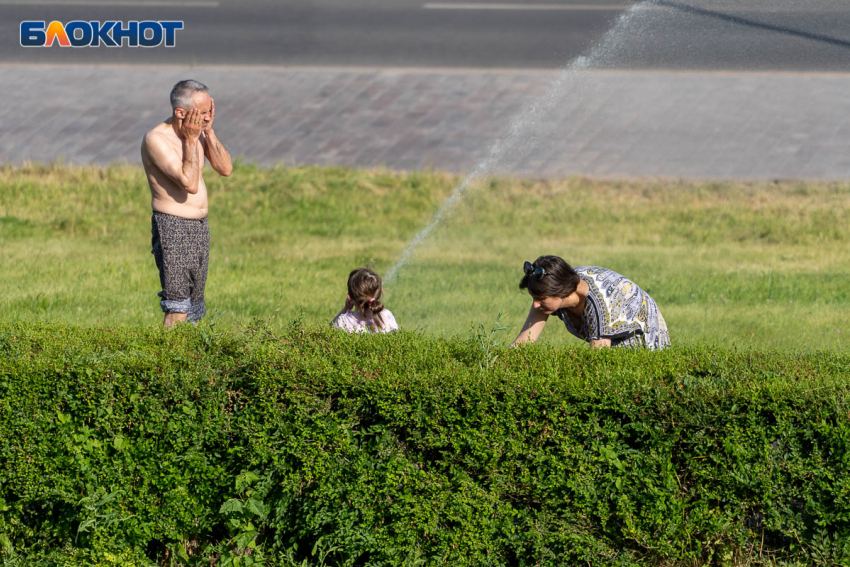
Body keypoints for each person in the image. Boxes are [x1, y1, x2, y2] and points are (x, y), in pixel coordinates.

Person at [141, 80, 232, 327]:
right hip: (173, 226)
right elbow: (189, 183)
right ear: (181, 112)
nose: (206, 117)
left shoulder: (199, 132)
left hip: (199, 226)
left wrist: (209, 132)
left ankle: (189, 361)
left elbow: (225, 168)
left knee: (194, 307)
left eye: (208, 112)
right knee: (178, 305)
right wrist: (192, 140)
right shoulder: (156, 139)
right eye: (202, 113)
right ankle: (167, 360)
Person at [513, 255, 670, 350]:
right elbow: (523, 343)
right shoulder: (551, 289)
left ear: (560, 292)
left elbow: (598, 364)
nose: (535, 305)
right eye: (533, 297)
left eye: (540, 299)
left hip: (643, 337)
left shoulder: (600, 305)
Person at [332, 268, 399, 334]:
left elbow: (330, 331)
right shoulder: (386, 315)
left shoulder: (344, 321)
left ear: (350, 297)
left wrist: (345, 309)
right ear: (379, 294)